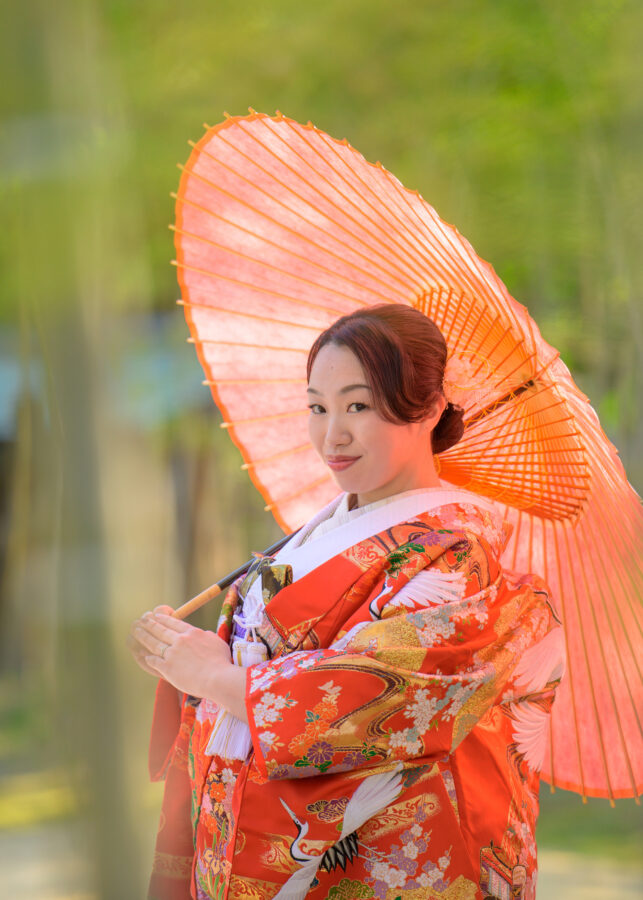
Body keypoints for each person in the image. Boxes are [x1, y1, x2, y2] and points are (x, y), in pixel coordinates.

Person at [129, 304, 565, 900]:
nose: (332, 435)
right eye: (318, 407)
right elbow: (233, 658)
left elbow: (374, 695)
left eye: (358, 406)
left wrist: (212, 673)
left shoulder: (456, 554)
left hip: (373, 857)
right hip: (239, 829)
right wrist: (176, 654)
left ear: (432, 407)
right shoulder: (318, 531)